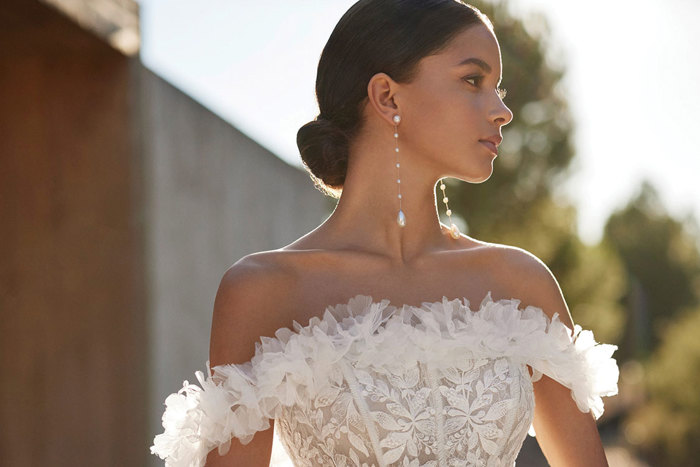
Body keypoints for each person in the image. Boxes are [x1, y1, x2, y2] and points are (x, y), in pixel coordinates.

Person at [150, 1, 620, 466]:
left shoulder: (521, 284)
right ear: (388, 97)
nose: (502, 111)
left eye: (499, 88)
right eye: (473, 80)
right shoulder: (265, 291)